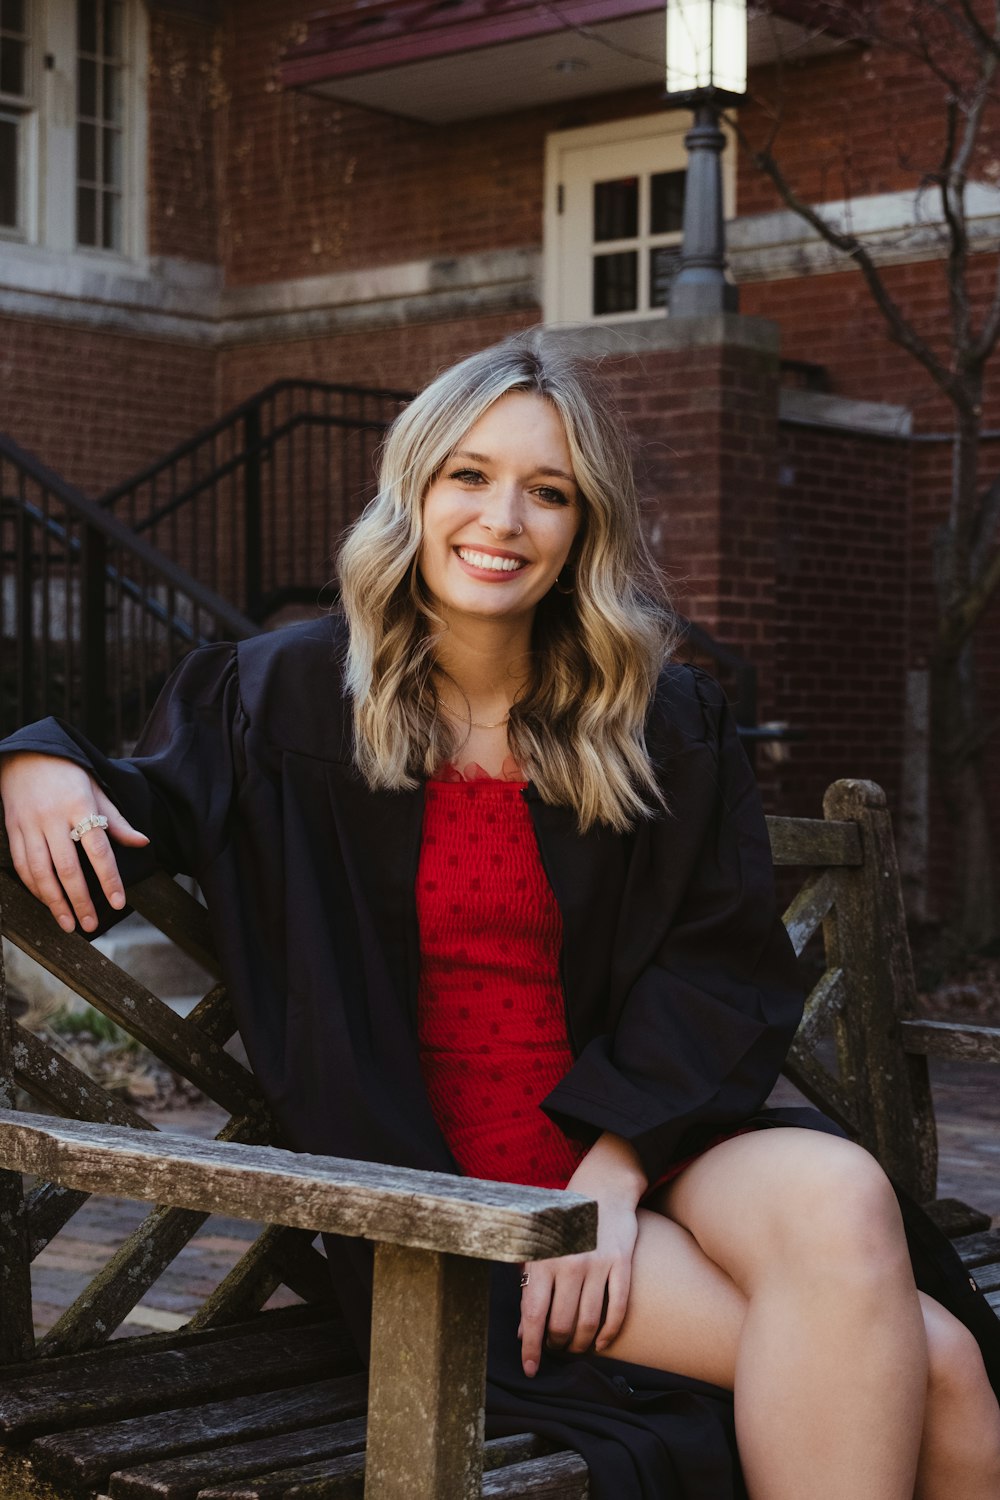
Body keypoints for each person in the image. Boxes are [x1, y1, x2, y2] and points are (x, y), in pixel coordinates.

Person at [1, 333, 999, 1500]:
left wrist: (611, 1168)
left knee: (840, 1192)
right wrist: (31, 762)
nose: (503, 518)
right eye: (468, 475)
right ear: (414, 491)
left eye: (548, 490)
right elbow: (138, 803)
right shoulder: (275, 699)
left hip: (642, 1140)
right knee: (936, 1368)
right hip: (451, 1196)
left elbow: (718, 965)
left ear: (586, 525)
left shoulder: (657, 718)